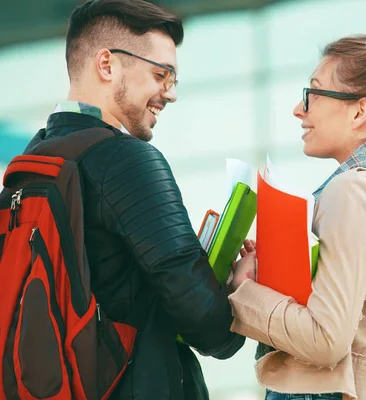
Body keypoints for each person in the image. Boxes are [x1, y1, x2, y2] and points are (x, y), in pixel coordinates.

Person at [23, 0, 245, 398]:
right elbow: (207, 325)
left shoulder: (34, 159)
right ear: (107, 65)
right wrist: (235, 289)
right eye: (161, 74)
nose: (170, 94)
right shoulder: (126, 160)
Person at [229, 34, 366, 400]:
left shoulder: (353, 191)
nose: (299, 110)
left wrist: (244, 290)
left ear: (359, 111)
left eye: (313, 93)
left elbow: (325, 341)